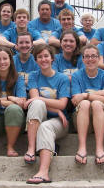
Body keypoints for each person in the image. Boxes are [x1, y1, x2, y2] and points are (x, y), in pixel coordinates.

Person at [24, 44, 70, 184]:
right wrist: (54, 108)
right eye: (39, 57)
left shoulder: (62, 78)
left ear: (52, 59)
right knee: (37, 104)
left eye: (46, 56)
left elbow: (62, 104)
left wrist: (42, 100)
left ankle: (43, 172)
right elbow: (35, 100)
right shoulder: (33, 76)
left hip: (60, 122)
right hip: (43, 115)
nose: (43, 59)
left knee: (45, 126)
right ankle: (31, 148)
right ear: (36, 60)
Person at [71, 44, 104, 165]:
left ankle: (99, 148)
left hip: (103, 120)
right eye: (87, 56)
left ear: (99, 58)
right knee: (84, 104)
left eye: (94, 56)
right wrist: (101, 93)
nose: (90, 59)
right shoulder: (77, 75)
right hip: (81, 119)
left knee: (95, 104)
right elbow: (75, 100)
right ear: (83, 59)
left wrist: (86, 95)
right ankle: (82, 147)